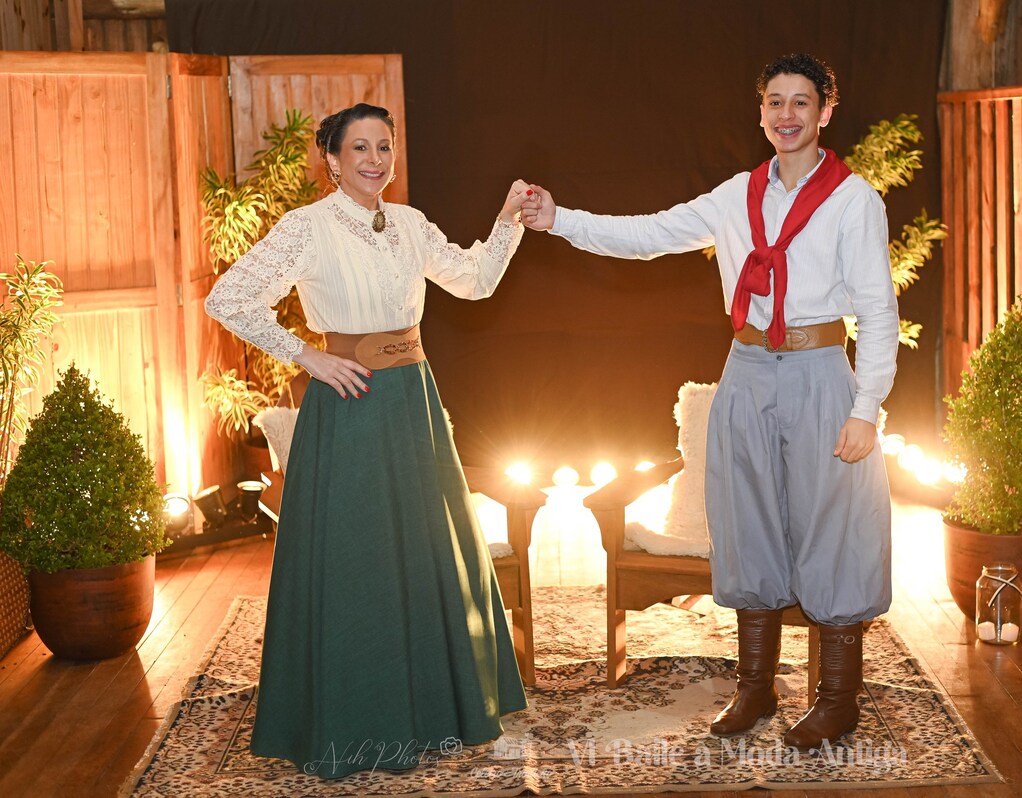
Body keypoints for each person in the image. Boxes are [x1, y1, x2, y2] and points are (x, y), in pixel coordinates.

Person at [520, 54, 897, 749]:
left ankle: (838, 698)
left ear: (825, 112)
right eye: (775, 102)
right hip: (746, 370)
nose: (787, 115)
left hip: (819, 371)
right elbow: (648, 235)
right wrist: (559, 219)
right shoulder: (734, 198)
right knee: (746, 522)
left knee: (835, 525)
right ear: (761, 112)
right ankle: (755, 687)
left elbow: (878, 311)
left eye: (801, 102)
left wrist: (865, 408)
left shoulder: (853, 201)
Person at [205, 102, 529, 778]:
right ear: (332, 158)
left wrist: (507, 222)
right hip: (350, 407)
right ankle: (356, 723)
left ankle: (432, 714)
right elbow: (227, 298)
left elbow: (475, 282)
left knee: (424, 553)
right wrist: (308, 356)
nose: (375, 159)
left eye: (384, 146)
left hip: (413, 405)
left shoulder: (409, 223)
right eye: (360, 147)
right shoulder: (307, 227)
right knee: (359, 561)